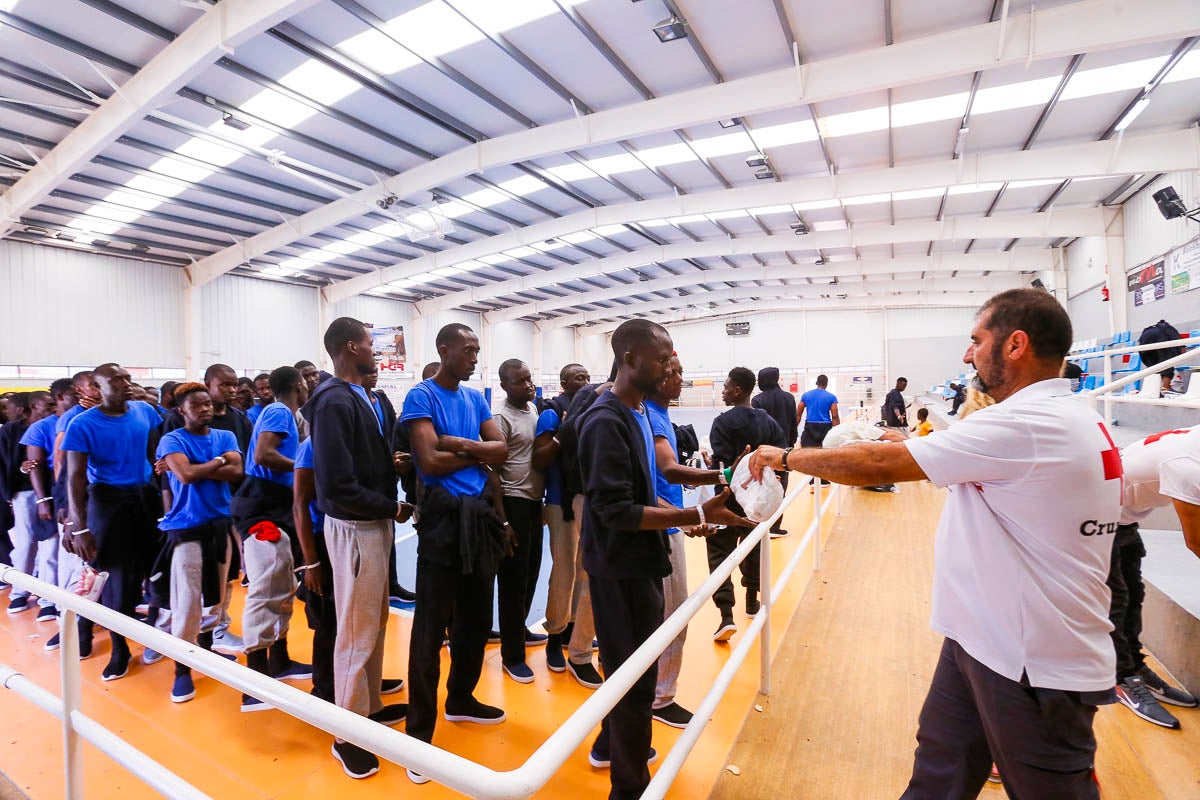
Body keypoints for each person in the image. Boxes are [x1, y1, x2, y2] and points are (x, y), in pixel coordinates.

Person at [750, 288, 1122, 799]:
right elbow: (984, 467)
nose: (968, 354)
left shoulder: (1021, 424)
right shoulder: (1062, 416)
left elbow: (877, 468)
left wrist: (785, 458)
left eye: (976, 340)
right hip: (982, 639)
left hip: (1028, 661)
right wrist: (915, 445)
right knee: (938, 776)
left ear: (1015, 345)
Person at [577, 319, 747, 800]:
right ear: (629, 358)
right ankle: (629, 788)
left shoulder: (635, 412)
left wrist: (691, 510)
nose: (671, 364)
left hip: (641, 561)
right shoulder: (604, 419)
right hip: (617, 569)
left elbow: (649, 484)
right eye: (662, 357)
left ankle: (614, 749)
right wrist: (693, 510)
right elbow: (612, 510)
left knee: (640, 674)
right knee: (631, 681)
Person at [401, 323, 508, 784]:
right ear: (443, 349)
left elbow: (502, 451)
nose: (473, 357)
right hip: (443, 522)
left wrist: (459, 444)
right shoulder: (420, 397)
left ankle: (460, 698)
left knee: (475, 619)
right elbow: (428, 462)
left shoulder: (476, 399)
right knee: (429, 628)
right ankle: (417, 735)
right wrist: (477, 453)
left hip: (479, 519)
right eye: (467, 349)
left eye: (477, 350)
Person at [305, 318, 412, 779]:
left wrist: (389, 465)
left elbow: (358, 463)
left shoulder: (360, 397)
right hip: (355, 525)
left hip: (372, 522)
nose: (374, 349)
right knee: (354, 627)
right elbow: (336, 484)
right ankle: (346, 732)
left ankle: (366, 708)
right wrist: (391, 506)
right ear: (352, 347)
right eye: (370, 343)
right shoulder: (331, 402)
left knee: (374, 621)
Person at [61, 364, 163, 679]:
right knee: (112, 577)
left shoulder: (145, 411)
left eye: (127, 378)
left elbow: (153, 450)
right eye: (116, 379)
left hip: (144, 496)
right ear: (96, 385)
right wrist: (79, 526)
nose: (125, 383)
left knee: (154, 569)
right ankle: (119, 647)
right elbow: (74, 478)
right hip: (107, 501)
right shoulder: (83, 424)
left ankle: (154, 636)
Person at [646, 354, 727, 729]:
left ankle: (654, 693)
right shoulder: (642, 415)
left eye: (681, 370)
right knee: (671, 616)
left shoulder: (658, 415)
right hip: (657, 529)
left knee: (665, 616)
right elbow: (648, 482)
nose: (679, 378)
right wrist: (723, 475)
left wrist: (690, 516)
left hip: (670, 524)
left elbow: (664, 479)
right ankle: (659, 698)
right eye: (671, 372)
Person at [152, 383, 243, 704]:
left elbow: (237, 470)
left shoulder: (225, 436)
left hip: (220, 524)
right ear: (182, 411)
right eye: (197, 405)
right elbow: (186, 475)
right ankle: (182, 669)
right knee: (188, 600)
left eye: (207, 404)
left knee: (217, 596)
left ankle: (206, 651)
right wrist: (217, 462)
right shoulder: (172, 439)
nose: (205, 409)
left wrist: (203, 465)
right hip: (187, 528)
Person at [1107, 425, 1200, 729]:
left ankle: (1136, 666)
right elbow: (1196, 542)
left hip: (1124, 517)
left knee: (1134, 595)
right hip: (1094, 517)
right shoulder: (1187, 464)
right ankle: (1122, 678)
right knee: (1117, 601)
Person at [231, 365, 309, 712]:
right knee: (265, 588)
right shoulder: (279, 410)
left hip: (278, 505)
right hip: (263, 506)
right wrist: (303, 468)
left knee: (281, 584)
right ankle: (255, 683)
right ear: (297, 384)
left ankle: (279, 660)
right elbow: (264, 454)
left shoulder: (289, 416)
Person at [707, 367, 786, 640]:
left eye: (727, 386)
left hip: (728, 497)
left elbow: (721, 462)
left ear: (738, 390)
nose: (724, 390)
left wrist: (713, 467)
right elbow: (780, 454)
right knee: (753, 547)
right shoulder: (768, 422)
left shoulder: (722, 422)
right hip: (757, 499)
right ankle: (752, 601)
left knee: (719, 551)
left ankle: (726, 615)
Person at [492, 359, 551, 684]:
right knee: (513, 581)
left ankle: (521, 630)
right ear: (505, 386)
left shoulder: (534, 411)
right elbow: (493, 471)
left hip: (532, 503)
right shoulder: (500, 417)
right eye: (520, 382)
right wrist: (503, 520)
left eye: (530, 379)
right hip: (512, 504)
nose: (528, 386)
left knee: (530, 574)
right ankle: (511, 654)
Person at [541, 363, 594, 676]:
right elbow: (542, 456)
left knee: (584, 570)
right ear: (563, 382)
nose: (584, 381)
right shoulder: (553, 411)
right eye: (578, 377)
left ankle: (574, 630)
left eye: (587, 376)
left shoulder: (593, 412)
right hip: (560, 500)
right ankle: (554, 634)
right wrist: (563, 431)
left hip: (585, 499)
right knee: (563, 572)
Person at [19, 379, 75, 634]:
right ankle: (49, 601)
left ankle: (74, 601)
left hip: (76, 490)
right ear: (63, 396)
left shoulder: (81, 419)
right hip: (53, 491)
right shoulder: (41, 427)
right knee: (50, 549)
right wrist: (43, 500)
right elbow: (35, 466)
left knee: (71, 551)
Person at [3, 392, 59, 617]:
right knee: (26, 544)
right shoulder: (12, 430)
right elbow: (6, 462)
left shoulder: (57, 425)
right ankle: (19, 592)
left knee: (50, 547)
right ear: (33, 407)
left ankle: (48, 597)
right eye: (47, 405)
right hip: (24, 492)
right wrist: (18, 475)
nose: (52, 408)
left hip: (52, 491)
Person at [753, 367, 798, 537]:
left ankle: (760, 523)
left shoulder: (758, 400)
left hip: (764, 451)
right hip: (784, 451)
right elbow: (794, 424)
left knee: (762, 487)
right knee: (781, 488)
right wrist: (790, 445)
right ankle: (775, 526)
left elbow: (756, 428)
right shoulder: (789, 398)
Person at [797, 374, 840, 494]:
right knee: (824, 454)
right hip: (825, 427)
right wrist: (837, 431)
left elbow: (798, 413)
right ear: (826, 384)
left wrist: (793, 429)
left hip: (810, 425)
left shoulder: (806, 395)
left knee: (810, 453)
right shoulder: (831, 397)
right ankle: (824, 480)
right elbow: (835, 415)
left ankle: (812, 481)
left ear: (816, 382)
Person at [1137, 319, 1184, 393]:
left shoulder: (1151, 328)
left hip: (1144, 343)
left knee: (1155, 367)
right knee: (1167, 366)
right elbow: (1179, 342)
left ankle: (1155, 389)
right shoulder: (1168, 328)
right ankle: (1166, 388)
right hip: (1159, 341)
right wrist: (1182, 348)